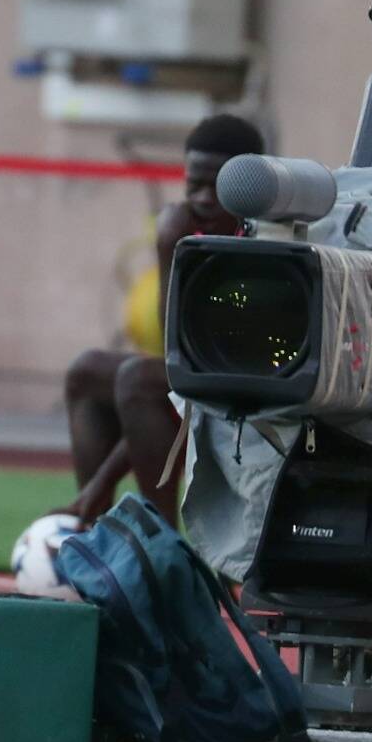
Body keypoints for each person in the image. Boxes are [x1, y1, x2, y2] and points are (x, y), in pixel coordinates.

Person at [61, 113, 262, 526]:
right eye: (194, 184)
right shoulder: (199, 241)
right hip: (203, 385)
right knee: (86, 372)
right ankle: (93, 525)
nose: (203, 199)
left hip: (255, 396)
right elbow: (178, 367)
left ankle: (163, 542)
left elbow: (179, 366)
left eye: (218, 187)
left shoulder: (262, 243)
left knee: (138, 379)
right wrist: (174, 249)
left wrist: (169, 249)